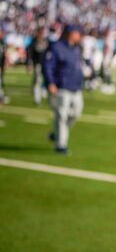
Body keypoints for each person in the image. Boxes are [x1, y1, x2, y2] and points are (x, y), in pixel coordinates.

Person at [42, 24, 84, 155]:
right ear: (70, 33)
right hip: (61, 87)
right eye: (77, 33)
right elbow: (48, 66)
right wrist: (50, 83)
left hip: (76, 87)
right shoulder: (56, 47)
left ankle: (57, 133)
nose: (79, 36)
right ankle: (61, 145)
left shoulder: (76, 49)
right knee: (61, 116)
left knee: (76, 114)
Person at [27, 27, 49, 105]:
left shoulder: (46, 41)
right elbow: (29, 53)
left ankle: (43, 91)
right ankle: (37, 99)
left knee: (46, 79)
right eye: (41, 33)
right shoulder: (34, 41)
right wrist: (29, 64)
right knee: (37, 81)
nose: (42, 34)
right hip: (38, 64)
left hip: (46, 65)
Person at [0, 25, 8, 105]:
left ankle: (1, 97)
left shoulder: (3, 41)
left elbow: (4, 54)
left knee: (1, 81)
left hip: (1, 65)